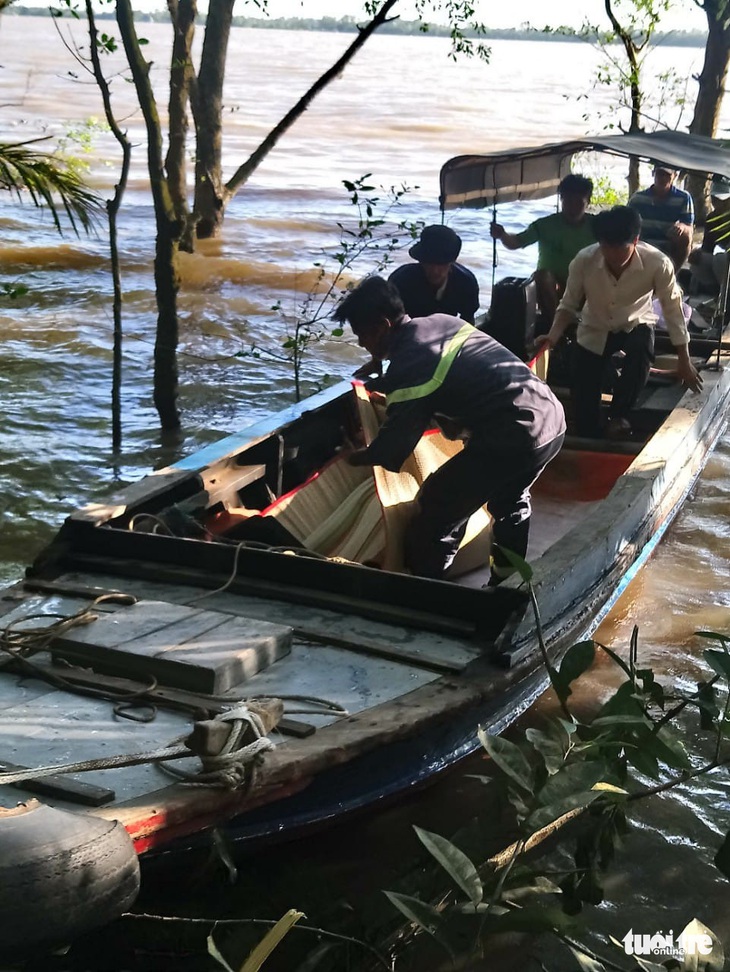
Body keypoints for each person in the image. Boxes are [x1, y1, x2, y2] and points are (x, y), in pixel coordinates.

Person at [333, 275, 566, 585]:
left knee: (436, 507)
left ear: (384, 326)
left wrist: (352, 457)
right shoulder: (440, 323)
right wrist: (387, 371)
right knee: (510, 500)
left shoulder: (411, 363)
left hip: (513, 435)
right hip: (549, 419)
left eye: (363, 335)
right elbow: (441, 372)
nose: (363, 344)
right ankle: (506, 585)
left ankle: (430, 588)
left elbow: (393, 449)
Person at [537, 206, 702, 440]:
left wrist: (684, 361)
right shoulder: (584, 260)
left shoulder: (658, 263)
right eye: (606, 247)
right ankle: (590, 432)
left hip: (635, 323)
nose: (613, 255)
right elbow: (568, 305)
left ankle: (619, 416)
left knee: (642, 348)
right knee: (584, 403)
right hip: (594, 327)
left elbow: (673, 312)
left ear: (635, 240)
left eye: (620, 248)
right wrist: (551, 338)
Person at [490, 173, 595, 325]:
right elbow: (516, 242)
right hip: (552, 291)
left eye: (578, 202)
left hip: (585, 290)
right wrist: (502, 235)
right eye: (568, 201)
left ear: (588, 202)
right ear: (561, 199)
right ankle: (556, 325)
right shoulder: (544, 225)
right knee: (542, 275)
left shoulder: (597, 225)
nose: (572, 207)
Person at [388, 224, 479, 323]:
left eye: (441, 264)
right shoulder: (401, 281)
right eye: (430, 263)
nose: (435, 271)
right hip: (407, 333)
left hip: (447, 333)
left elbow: (468, 321)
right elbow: (391, 321)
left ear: (451, 262)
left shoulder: (466, 283)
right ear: (421, 262)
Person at [628, 165, 694, 272]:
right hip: (642, 240)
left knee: (686, 235)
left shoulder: (683, 197)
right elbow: (626, 222)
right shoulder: (638, 198)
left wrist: (681, 227)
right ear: (653, 173)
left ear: (674, 176)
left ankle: (672, 273)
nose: (662, 178)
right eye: (659, 174)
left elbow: (689, 226)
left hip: (668, 240)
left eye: (667, 175)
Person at [688, 176, 730, 298]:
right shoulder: (711, 218)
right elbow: (708, 247)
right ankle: (717, 295)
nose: (718, 202)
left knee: (721, 259)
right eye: (715, 198)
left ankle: (726, 298)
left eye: (722, 199)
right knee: (699, 263)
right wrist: (697, 253)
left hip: (723, 260)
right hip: (720, 261)